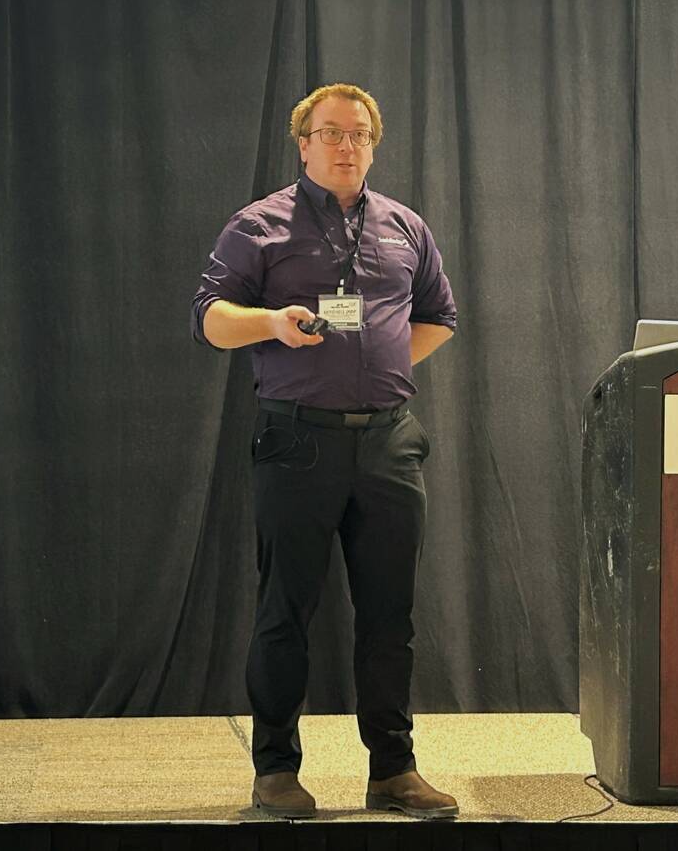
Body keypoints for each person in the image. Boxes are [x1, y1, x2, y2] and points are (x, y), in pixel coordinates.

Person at [191, 83, 458, 820]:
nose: (347, 147)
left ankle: (393, 773)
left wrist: (375, 366)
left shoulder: (405, 226)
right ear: (302, 142)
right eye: (332, 133)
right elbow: (211, 319)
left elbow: (440, 314)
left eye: (361, 135)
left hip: (388, 443)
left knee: (389, 616)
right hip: (295, 440)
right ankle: (275, 769)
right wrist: (274, 326)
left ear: (375, 144)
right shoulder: (258, 225)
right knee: (286, 610)